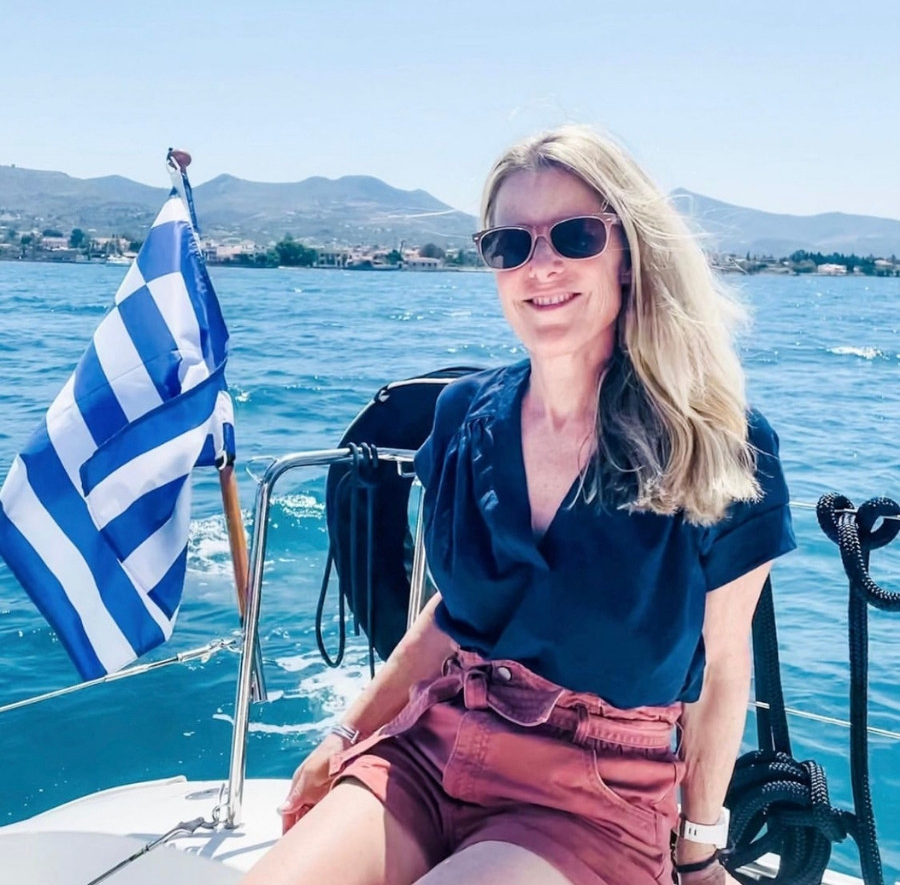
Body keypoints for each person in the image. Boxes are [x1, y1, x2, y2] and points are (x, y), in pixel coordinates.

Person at [239, 125, 795, 885]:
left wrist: (699, 854)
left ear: (628, 253)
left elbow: (726, 667)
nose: (541, 267)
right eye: (510, 245)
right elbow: (450, 617)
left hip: (591, 793)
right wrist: (344, 734)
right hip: (435, 748)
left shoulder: (716, 441)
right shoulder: (466, 418)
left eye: (574, 236)